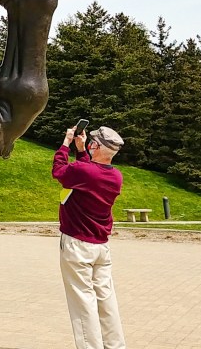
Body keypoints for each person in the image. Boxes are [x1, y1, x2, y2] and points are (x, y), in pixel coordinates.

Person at [52, 125, 127, 349]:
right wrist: (82, 150)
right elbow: (86, 174)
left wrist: (66, 143)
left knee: (83, 302)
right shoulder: (116, 176)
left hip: (77, 246)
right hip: (101, 247)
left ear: (96, 146)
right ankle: (115, 346)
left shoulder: (83, 172)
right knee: (106, 300)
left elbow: (59, 171)